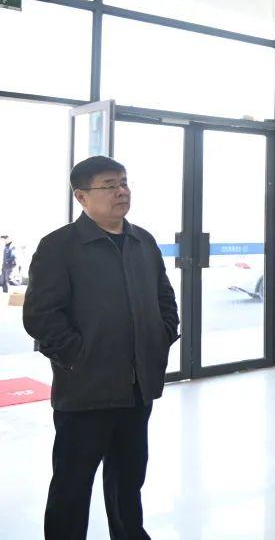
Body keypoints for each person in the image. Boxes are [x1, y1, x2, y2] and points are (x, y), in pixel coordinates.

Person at [23, 156, 179, 540]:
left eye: (123, 182)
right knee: (72, 486)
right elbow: (41, 317)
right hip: (85, 392)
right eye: (109, 185)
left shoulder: (143, 241)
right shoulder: (59, 246)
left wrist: (162, 336)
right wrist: (79, 356)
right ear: (81, 196)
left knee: (129, 480)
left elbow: (164, 299)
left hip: (137, 388)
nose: (121, 191)